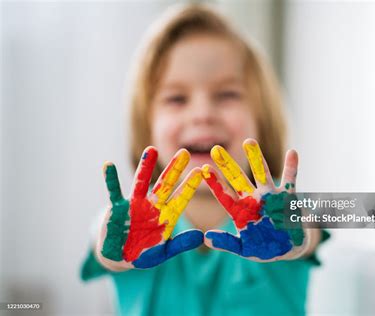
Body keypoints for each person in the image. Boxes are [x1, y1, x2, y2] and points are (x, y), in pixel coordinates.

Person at [80, 4, 330, 315]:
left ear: (262, 119)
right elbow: (105, 246)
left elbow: (319, 225)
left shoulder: (280, 214)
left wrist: (293, 229)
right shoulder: (127, 223)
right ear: (147, 127)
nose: (202, 114)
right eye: (176, 98)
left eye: (227, 94)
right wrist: (116, 244)